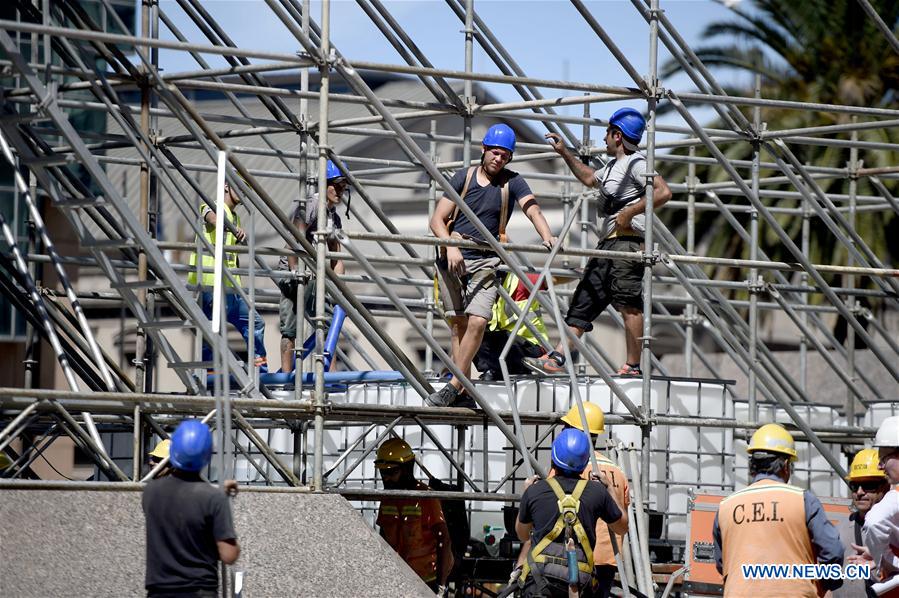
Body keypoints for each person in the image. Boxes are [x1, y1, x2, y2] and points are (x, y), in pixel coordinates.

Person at [524, 108, 672, 378]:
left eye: (607, 133)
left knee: (628, 302)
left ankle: (633, 366)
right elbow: (590, 178)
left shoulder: (636, 163)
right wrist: (564, 153)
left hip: (627, 245)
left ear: (618, 135)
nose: (604, 139)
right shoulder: (614, 167)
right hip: (607, 245)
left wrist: (630, 212)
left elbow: (663, 192)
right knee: (584, 299)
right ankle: (558, 356)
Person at [428, 123, 557, 407]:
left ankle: (455, 383)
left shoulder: (513, 182)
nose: (499, 159)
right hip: (453, 258)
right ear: (483, 150)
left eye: (505, 156)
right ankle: (462, 388)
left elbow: (532, 208)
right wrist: (450, 246)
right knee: (458, 325)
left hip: (486, 260)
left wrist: (547, 235)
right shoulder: (464, 177)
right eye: (495, 153)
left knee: (478, 320)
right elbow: (437, 220)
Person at [713, 423, 844, 597]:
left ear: (752, 465)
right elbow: (833, 551)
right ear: (786, 465)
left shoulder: (726, 506)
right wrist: (824, 584)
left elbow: (723, 563)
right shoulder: (803, 500)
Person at [515, 428, 628, 597]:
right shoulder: (598, 493)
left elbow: (522, 535)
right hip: (577, 584)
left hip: (539, 582)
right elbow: (621, 527)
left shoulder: (535, 491)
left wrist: (527, 495)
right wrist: (610, 489)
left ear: (553, 458)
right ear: (584, 464)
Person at [142, 419, 240, 597]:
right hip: (198, 590)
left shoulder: (150, 493)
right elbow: (229, 555)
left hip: (159, 591)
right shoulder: (213, 499)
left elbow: (183, 501)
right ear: (207, 456)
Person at [188, 179, 268, 374]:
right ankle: (211, 374)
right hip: (209, 284)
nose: (243, 191)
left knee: (255, 322)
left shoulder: (235, 218)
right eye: (239, 186)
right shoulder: (212, 204)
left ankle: (260, 371)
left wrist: (240, 236)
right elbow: (211, 217)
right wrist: (225, 224)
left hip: (230, 286)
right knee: (214, 331)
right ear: (225, 185)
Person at [277, 160, 348, 373]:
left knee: (328, 326)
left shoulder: (333, 217)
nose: (340, 190)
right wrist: (294, 271)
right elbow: (293, 240)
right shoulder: (311, 206)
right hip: (297, 270)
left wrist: (339, 287)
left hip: (314, 273)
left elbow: (336, 256)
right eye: (335, 185)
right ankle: (287, 381)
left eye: (343, 186)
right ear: (323, 184)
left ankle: (329, 378)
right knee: (291, 329)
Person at [375, 437, 454, 594]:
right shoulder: (388, 498)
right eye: (383, 472)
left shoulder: (425, 497)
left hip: (425, 580)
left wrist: (441, 586)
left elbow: (443, 540)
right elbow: (383, 537)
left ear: (406, 468)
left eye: (391, 472)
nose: (386, 477)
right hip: (396, 578)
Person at [473, 270, 550, 381]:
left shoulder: (519, 280)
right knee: (472, 335)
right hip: (508, 347)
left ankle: (503, 370)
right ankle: (496, 370)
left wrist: (581, 273)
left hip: (532, 347)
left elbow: (554, 278)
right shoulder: (481, 291)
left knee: (481, 338)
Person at [835, 448, 889, 597]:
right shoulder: (839, 530)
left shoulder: (895, 530)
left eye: (868, 485)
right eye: (854, 485)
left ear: (885, 486)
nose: (859, 492)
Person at [863, 415, 899, 595]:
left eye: (884, 458)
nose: (880, 466)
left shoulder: (895, 497)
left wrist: (885, 560)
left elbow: (874, 522)